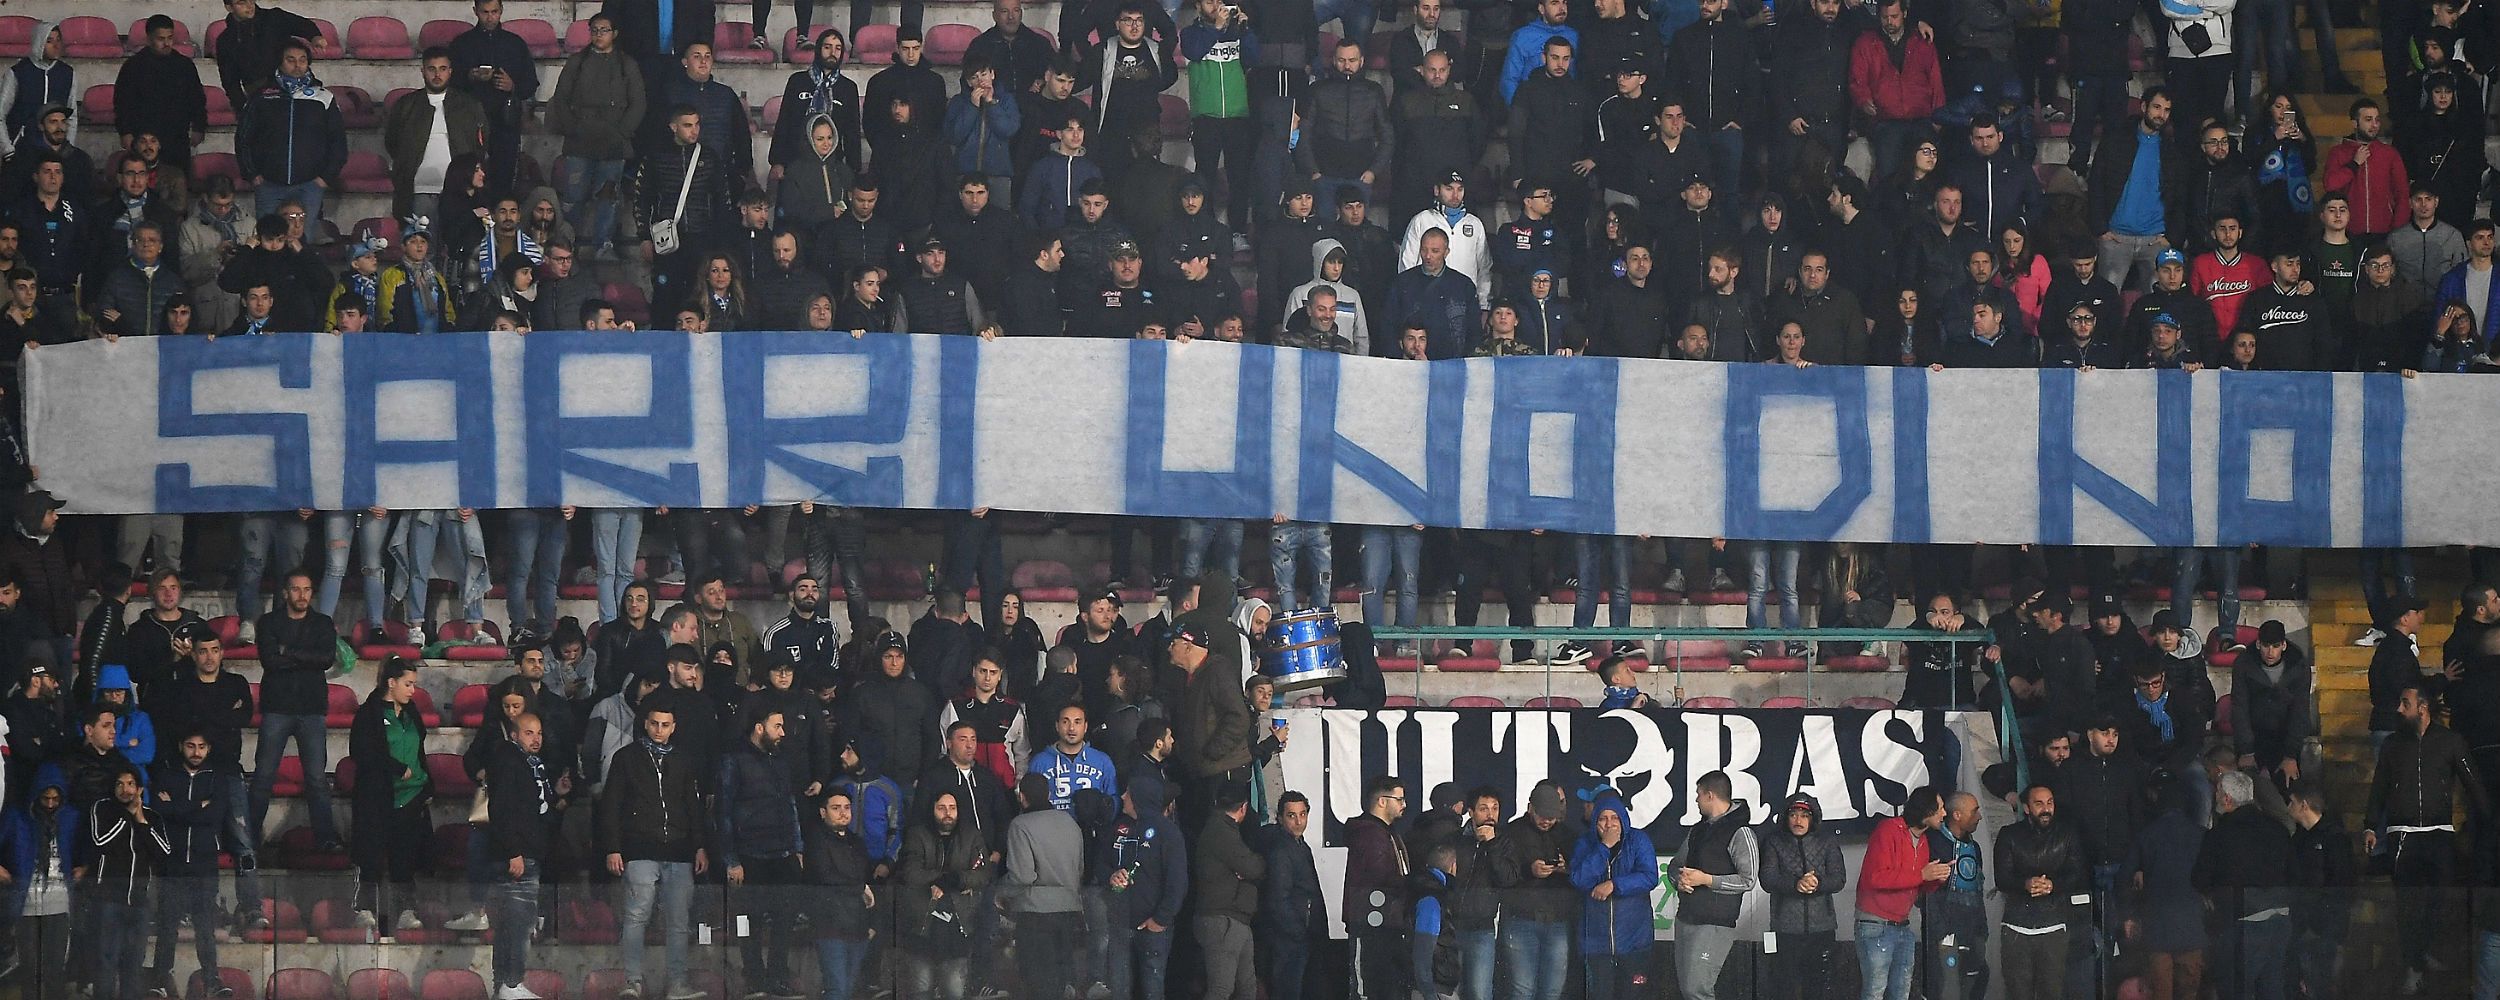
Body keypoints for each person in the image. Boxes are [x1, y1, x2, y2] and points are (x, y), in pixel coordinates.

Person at [2367, 681, 2489, 992]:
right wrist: (2370, 826)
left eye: (2405, 703)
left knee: (2439, 900)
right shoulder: (2393, 744)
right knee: (2408, 904)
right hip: (2403, 835)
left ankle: (2422, 954)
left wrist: (2489, 823)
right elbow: (2379, 787)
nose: (2398, 709)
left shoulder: (2450, 741)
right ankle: (2414, 964)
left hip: (2439, 834)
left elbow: (2473, 784)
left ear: (2423, 707)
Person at [598, 702, 709, 1000]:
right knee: (636, 916)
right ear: (645, 724)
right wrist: (613, 848)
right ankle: (633, 981)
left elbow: (693, 807)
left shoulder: (683, 760)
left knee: (678, 921)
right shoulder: (626, 758)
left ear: (674, 727)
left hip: (679, 850)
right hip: (639, 848)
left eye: (665, 725)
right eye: (655, 723)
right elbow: (611, 805)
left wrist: (699, 846)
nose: (659, 730)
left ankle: (677, 983)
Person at [720, 710, 806, 999]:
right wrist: (732, 859)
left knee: (785, 920)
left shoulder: (781, 760)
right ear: (759, 727)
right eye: (777, 726)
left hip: (783, 853)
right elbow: (723, 812)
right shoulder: (735, 760)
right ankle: (754, 977)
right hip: (750, 854)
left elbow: (791, 804)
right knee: (749, 921)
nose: (783, 732)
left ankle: (778, 976)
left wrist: (797, 846)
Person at [349, 658, 432, 936]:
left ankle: (406, 910)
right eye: (408, 684)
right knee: (370, 855)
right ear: (391, 683)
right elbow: (362, 752)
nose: (412, 690)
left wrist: (427, 784)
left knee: (404, 858)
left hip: (411, 797)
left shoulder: (411, 713)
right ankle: (364, 909)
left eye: (414, 685)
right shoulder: (368, 714)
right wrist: (396, 768)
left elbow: (419, 750)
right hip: (377, 796)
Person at [2199, 769, 2295, 1000]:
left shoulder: (2220, 835)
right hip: (2281, 919)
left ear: (2227, 799)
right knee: (2272, 988)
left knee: (2236, 989)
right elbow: (2294, 874)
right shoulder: (2278, 830)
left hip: (2241, 924)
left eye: (2218, 792)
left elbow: (2200, 878)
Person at [1856, 786, 1949, 1000]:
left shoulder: (1923, 841)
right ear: (1926, 810)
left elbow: (1916, 886)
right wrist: (1922, 875)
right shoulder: (1889, 829)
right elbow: (1877, 878)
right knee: (1875, 991)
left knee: (1901, 992)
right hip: (1875, 924)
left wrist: (1935, 879)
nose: (1944, 814)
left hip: (1903, 925)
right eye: (1940, 808)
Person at [1665, 772, 1751, 1000]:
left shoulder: (1741, 832)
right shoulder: (1697, 830)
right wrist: (1679, 881)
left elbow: (1748, 880)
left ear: (1710, 795)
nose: (1696, 800)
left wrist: (1706, 879)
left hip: (1715, 923)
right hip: (1686, 917)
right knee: (1687, 989)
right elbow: (1675, 865)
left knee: (1696, 989)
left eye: (1698, 794)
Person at [998, 771, 1082, 1000]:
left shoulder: (1020, 825)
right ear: (1048, 794)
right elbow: (1079, 868)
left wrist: (1001, 892)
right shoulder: (1069, 822)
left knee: (1039, 982)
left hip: (1034, 914)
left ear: (1022, 797)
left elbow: (1022, 876)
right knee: (1064, 980)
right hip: (1069, 910)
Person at [1105, 773, 1185, 1000]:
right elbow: (1101, 862)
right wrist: (1111, 875)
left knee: (1152, 988)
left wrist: (1160, 920)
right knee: (1118, 987)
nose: (1123, 797)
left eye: (1128, 793)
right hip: (1120, 924)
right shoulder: (1118, 827)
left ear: (1140, 797)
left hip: (1153, 928)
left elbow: (1178, 882)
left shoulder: (1168, 832)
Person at [1760, 793, 1846, 1000]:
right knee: (1783, 988)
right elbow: (1767, 879)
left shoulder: (1827, 841)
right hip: (1785, 929)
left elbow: (1839, 879)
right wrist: (1795, 884)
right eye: (1793, 815)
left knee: (1818, 988)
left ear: (1813, 818)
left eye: (1804, 816)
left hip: (1821, 928)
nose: (1798, 821)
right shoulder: (1773, 841)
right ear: (1786, 817)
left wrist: (1817, 883)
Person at [1195, 785, 1265, 1000]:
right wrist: (1257, 862)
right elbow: (1254, 868)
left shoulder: (1220, 829)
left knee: (1247, 988)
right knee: (1221, 989)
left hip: (1233, 919)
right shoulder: (1221, 831)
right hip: (1223, 919)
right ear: (1244, 808)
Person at [2287, 783, 2355, 1000]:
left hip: (2326, 924)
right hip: (2302, 921)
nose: (2288, 807)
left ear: (2304, 805)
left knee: (2323, 980)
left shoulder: (2335, 838)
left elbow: (2342, 883)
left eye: (2292, 802)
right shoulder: (2299, 839)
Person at [1344, 775, 1410, 1000]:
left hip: (1387, 923)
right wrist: (1411, 884)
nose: (1404, 805)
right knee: (1370, 989)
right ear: (1382, 801)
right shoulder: (1370, 834)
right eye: (1399, 799)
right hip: (1371, 925)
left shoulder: (1386, 833)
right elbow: (1381, 877)